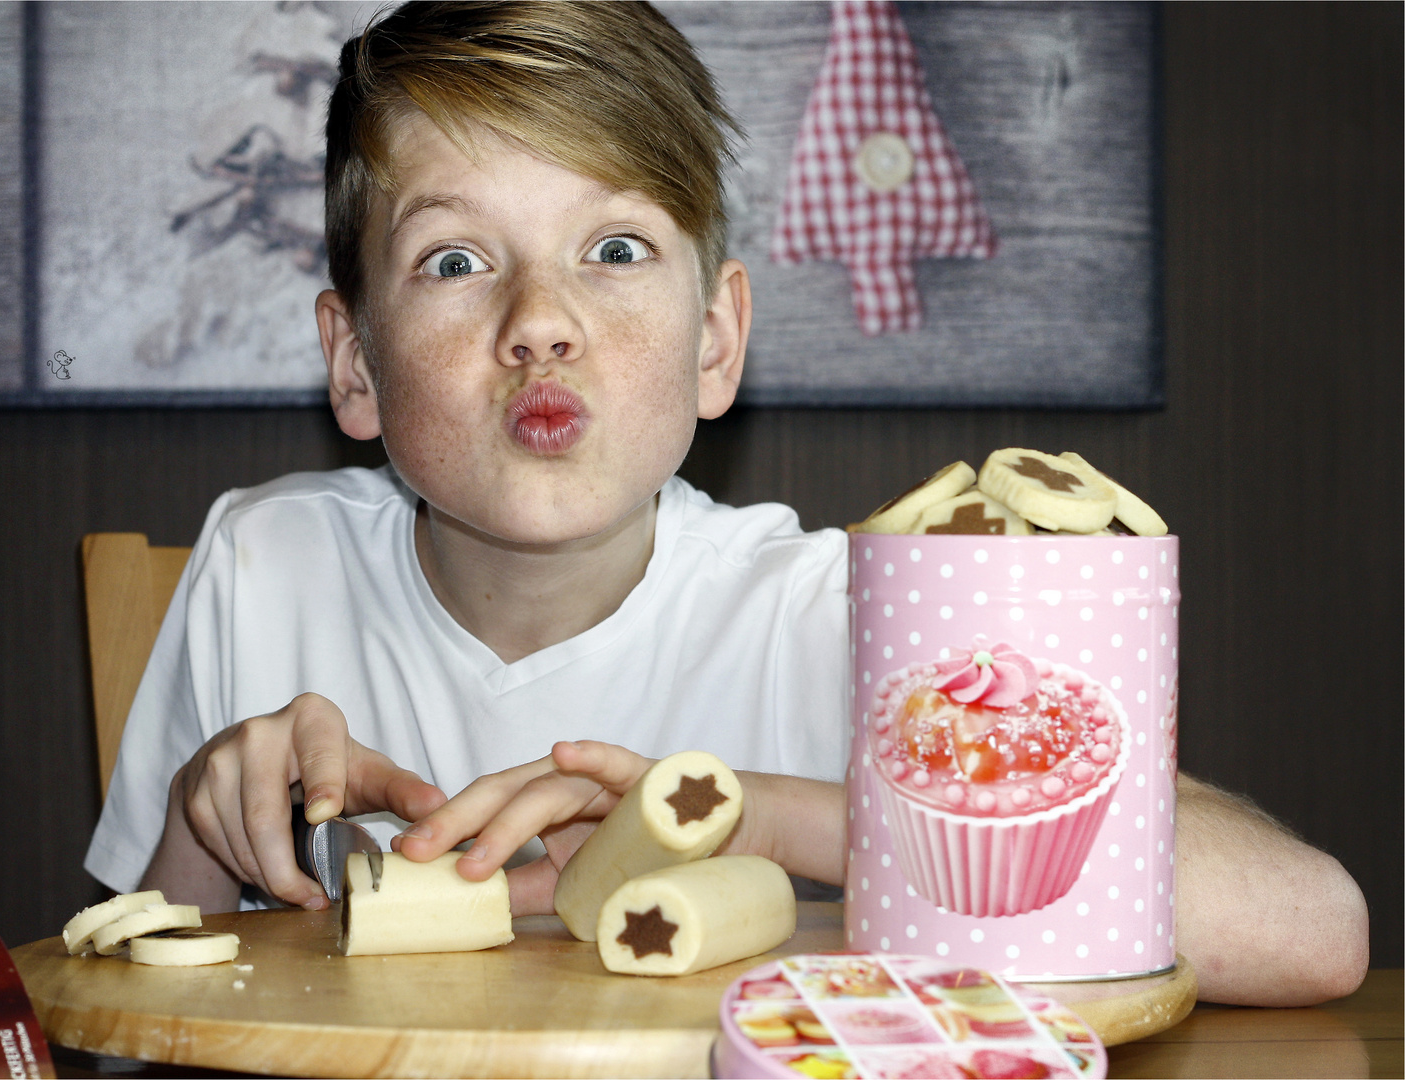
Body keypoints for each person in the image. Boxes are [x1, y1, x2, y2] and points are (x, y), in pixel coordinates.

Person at [85, 1, 1368, 1007]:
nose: (539, 323)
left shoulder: (840, 619)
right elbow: (120, 1026)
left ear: (715, 341)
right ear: (355, 361)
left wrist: (748, 810)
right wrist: (210, 818)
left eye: (615, 250)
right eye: (456, 261)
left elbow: (1310, 934)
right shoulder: (267, 566)